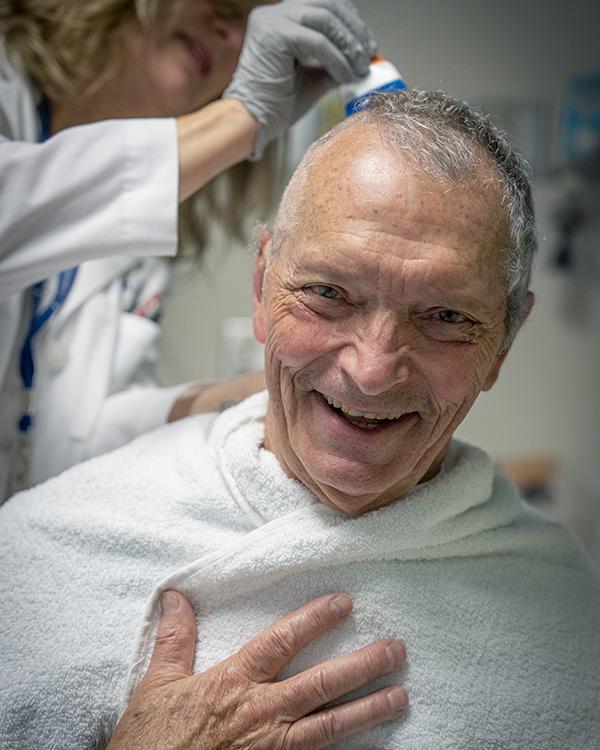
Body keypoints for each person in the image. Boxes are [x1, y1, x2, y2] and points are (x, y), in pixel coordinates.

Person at [2, 89, 600, 748]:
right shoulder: (48, 550)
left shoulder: (566, 609)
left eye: (446, 318)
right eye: (328, 294)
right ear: (262, 286)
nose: (372, 371)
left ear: (503, 346)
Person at [0, 0, 377, 500]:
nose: (231, 34)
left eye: (251, 27)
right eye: (226, 1)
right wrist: (243, 117)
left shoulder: (139, 239)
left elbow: (73, 433)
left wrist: (230, 401)